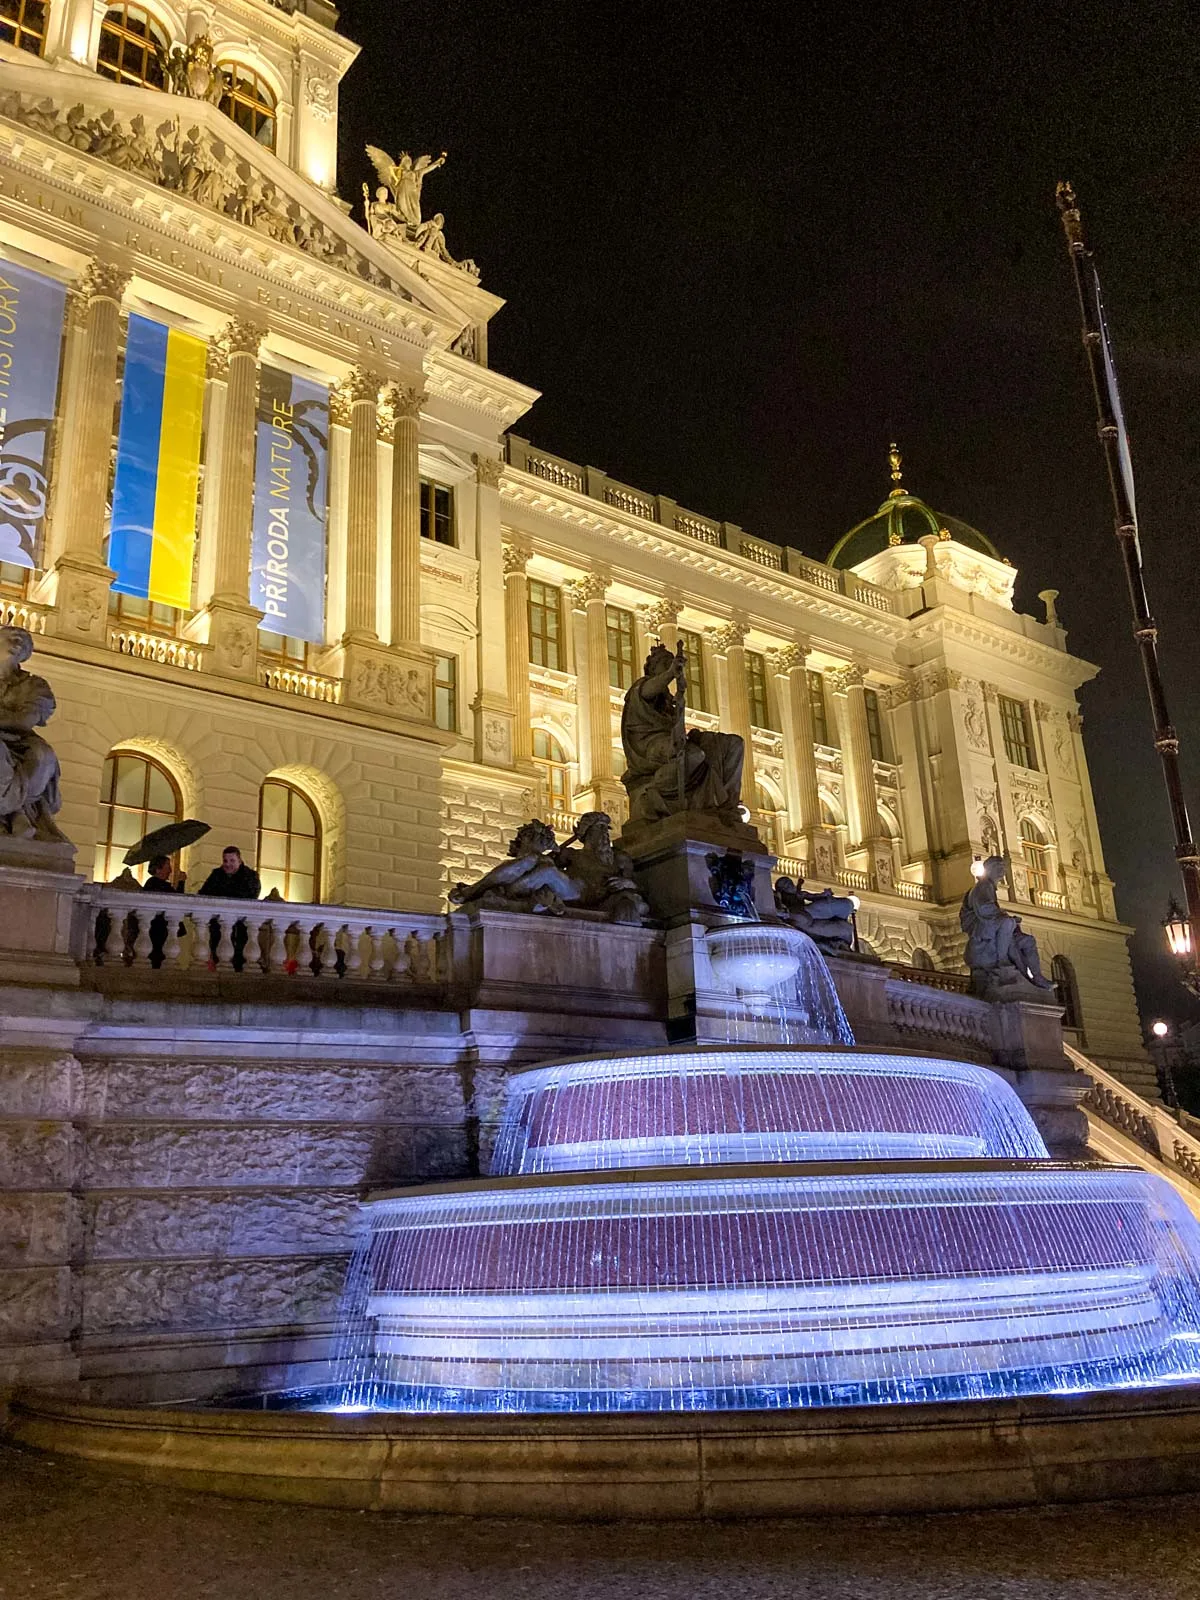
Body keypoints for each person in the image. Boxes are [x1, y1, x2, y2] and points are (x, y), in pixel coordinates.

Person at [0, 624, 67, 841]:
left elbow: (24, 720)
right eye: (13, 636)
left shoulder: (35, 685)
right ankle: (16, 814)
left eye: (23, 640)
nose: (18, 641)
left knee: (43, 754)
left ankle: (13, 812)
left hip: (21, 740)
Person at [199, 847, 261, 971]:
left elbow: (251, 895)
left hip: (241, 926)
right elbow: (203, 894)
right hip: (218, 925)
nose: (228, 864)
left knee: (241, 955)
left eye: (232, 861)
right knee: (219, 953)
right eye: (225, 861)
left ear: (240, 860)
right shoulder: (216, 874)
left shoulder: (250, 876)